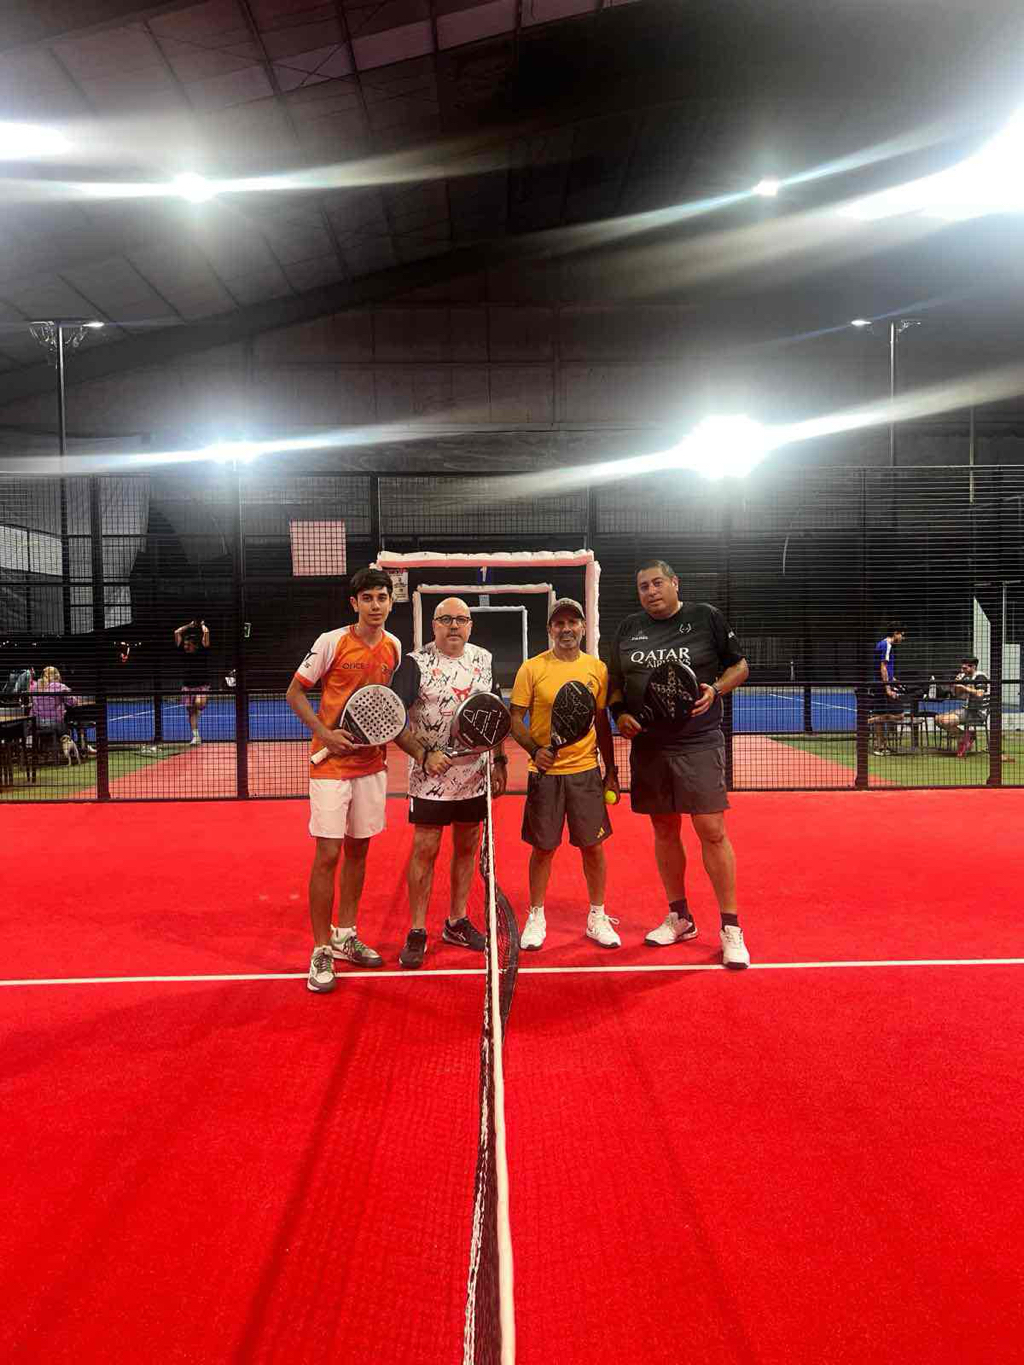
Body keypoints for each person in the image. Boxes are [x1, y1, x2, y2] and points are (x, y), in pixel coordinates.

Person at [607, 559, 751, 969]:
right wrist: (620, 714)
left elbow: (740, 666)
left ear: (674, 583)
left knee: (711, 829)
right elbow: (615, 683)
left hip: (698, 740)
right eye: (643, 586)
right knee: (664, 828)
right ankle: (680, 917)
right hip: (649, 746)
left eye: (657, 583)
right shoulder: (628, 628)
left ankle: (731, 927)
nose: (651, 591)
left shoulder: (705, 617)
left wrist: (716, 689)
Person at [286, 567, 402, 993]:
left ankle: (345, 935)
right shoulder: (331, 642)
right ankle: (320, 948)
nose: (375, 605)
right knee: (328, 854)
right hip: (331, 767)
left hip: (371, 766)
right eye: (367, 598)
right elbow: (295, 692)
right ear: (354, 603)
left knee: (359, 851)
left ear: (391, 602)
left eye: (382, 597)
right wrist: (325, 733)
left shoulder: (393, 647)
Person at [390, 598, 507, 970]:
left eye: (461, 619)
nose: (453, 626)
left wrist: (499, 760)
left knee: (467, 847)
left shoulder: (484, 659)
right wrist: (423, 755)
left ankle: (456, 922)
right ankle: (417, 930)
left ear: (470, 625)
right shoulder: (414, 663)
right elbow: (394, 717)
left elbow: (493, 713)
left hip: (474, 777)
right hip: (430, 779)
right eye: (445, 619)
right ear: (434, 625)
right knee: (425, 850)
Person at [508, 598, 620, 950]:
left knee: (593, 847)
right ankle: (536, 915)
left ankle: (597, 916)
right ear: (550, 630)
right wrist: (534, 749)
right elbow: (515, 718)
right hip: (545, 774)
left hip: (586, 772)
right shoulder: (532, 668)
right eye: (560, 623)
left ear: (583, 627)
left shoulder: (597, 669)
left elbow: (601, 723)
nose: (567, 629)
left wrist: (611, 770)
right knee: (543, 849)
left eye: (573, 622)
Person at [935, 655, 989, 757]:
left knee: (946, 721)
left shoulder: (980, 677)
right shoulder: (966, 677)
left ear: (973, 667)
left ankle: (964, 738)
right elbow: (958, 695)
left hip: (977, 713)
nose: (962, 670)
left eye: (965, 668)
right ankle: (965, 736)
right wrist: (957, 684)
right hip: (967, 709)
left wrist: (964, 687)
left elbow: (980, 694)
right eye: (961, 668)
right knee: (937, 719)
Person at [29, 666, 81, 764]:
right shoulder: (59, 687)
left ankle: (46, 752)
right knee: (65, 728)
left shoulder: (34, 687)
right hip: (54, 723)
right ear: (57, 676)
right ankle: (70, 753)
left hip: (36, 723)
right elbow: (72, 702)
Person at [868, 623, 906, 756]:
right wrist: (888, 687)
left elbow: (885, 668)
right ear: (895, 633)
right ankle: (866, 723)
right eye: (902, 635)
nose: (903, 638)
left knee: (880, 715)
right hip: (882, 686)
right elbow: (883, 667)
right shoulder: (887, 645)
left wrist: (893, 679)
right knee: (900, 715)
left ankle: (880, 746)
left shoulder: (881, 644)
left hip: (880, 684)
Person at [174, 618, 210, 745]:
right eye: (185, 645)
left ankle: (198, 711)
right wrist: (189, 625)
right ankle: (196, 736)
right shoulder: (183, 652)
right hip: (188, 686)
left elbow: (206, 633)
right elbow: (177, 632)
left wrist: (203, 626)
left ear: (195, 645)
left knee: (199, 704)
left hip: (201, 685)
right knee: (191, 711)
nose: (185, 647)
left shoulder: (203, 651)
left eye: (188, 645)